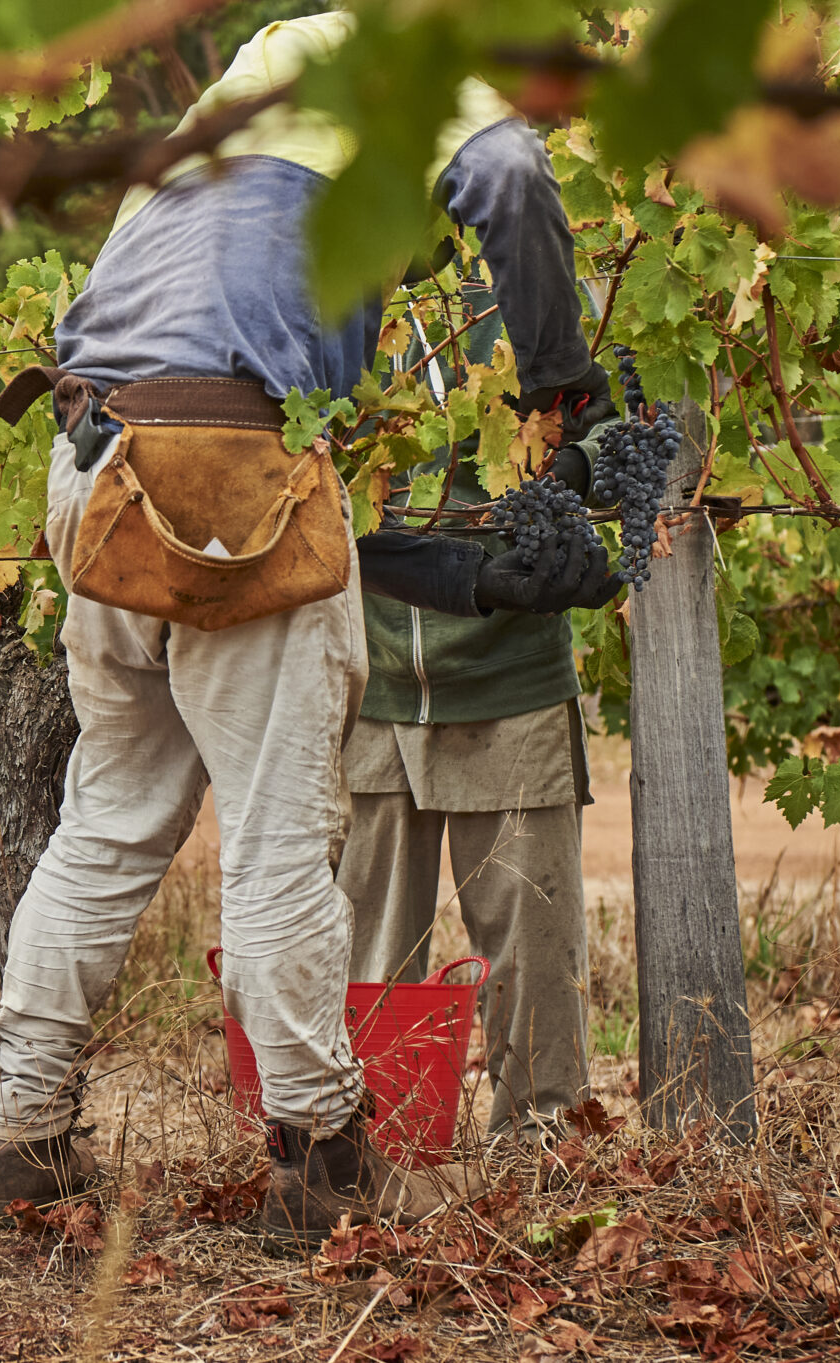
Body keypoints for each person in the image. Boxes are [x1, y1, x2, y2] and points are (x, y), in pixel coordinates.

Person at [0, 12, 615, 1246]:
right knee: (277, 840)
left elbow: (224, 436)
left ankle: (19, 1138)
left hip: (93, 468)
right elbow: (507, 177)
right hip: (225, 473)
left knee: (105, 820)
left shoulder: (227, 117)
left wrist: (477, 578)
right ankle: (320, 1156)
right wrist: (556, 385)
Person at [337, 92, 618, 1144]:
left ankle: (542, 1168)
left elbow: (608, 421)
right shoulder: (335, 306)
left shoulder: (528, 288)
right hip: (368, 685)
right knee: (367, 969)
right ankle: (371, 1157)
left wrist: (575, 477)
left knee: (535, 966)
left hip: (510, 680)